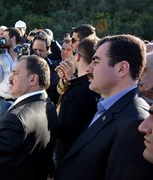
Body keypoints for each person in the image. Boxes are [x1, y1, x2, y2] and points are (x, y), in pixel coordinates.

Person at [54, 34, 153, 180]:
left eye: (96, 62)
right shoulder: (107, 105)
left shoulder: (134, 123)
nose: (88, 68)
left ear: (121, 69)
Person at [56, 37, 100, 165]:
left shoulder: (83, 90)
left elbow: (66, 129)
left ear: (78, 57)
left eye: (73, 53)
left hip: (70, 155)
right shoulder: (88, 85)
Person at [0, 27, 20, 123]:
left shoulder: (22, 56)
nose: (1, 39)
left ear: (13, 39)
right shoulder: (0, 54)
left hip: (17, 101)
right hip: (0, 100)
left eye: (5, 37)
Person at [32, 31, 60, 105]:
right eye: (35, 49)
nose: (37, 52)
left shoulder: (54, 68)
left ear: (47, 50)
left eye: (41, 50)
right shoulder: (26, 64)